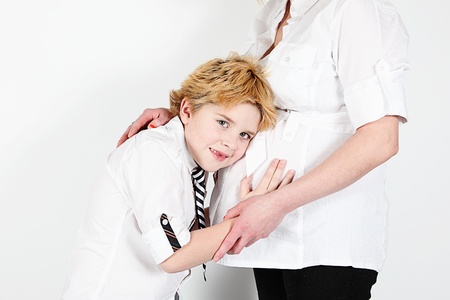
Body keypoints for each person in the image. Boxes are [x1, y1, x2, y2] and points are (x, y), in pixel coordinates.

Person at [119, 0, 409, 299]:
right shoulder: (271, 14)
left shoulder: (354, 10)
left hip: (322, 237)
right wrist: (181, 120)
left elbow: (381, 139)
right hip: (266, 234)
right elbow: (246, 111)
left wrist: (277, 204)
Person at [62, 53, 295, 300]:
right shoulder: (155, 154)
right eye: (223, 123)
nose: (230, 143)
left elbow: (183, 228)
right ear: (187, 110)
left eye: (244, 135)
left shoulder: (192, 163)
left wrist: (245, 206)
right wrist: (250, 219)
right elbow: (173, 254)